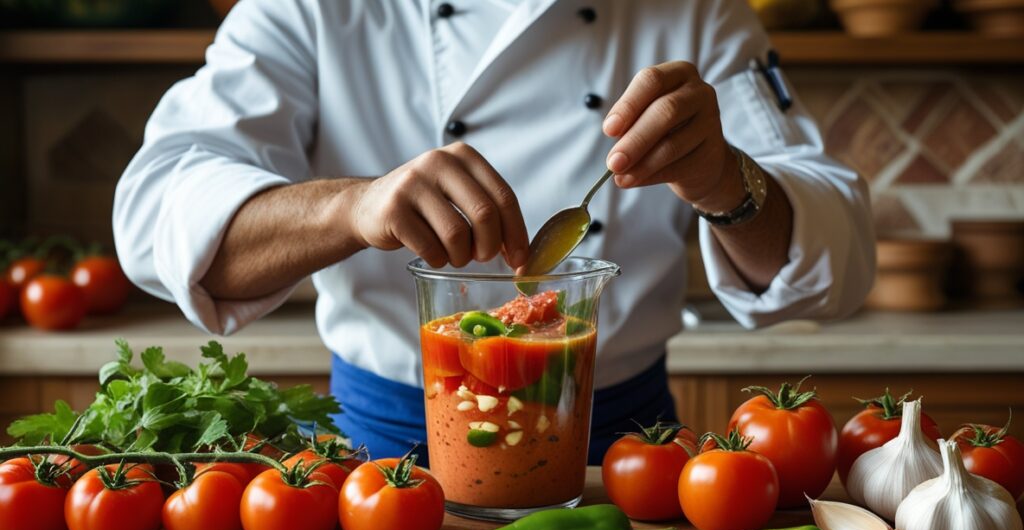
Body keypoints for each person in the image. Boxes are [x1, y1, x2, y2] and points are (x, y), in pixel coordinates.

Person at [114, 0, 875, 464]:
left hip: (622, 456)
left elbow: (838, 253)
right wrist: (352, 207)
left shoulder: (692, 8)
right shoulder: (312, 6)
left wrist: (725, 182)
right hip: (380, 460)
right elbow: (154, 212)